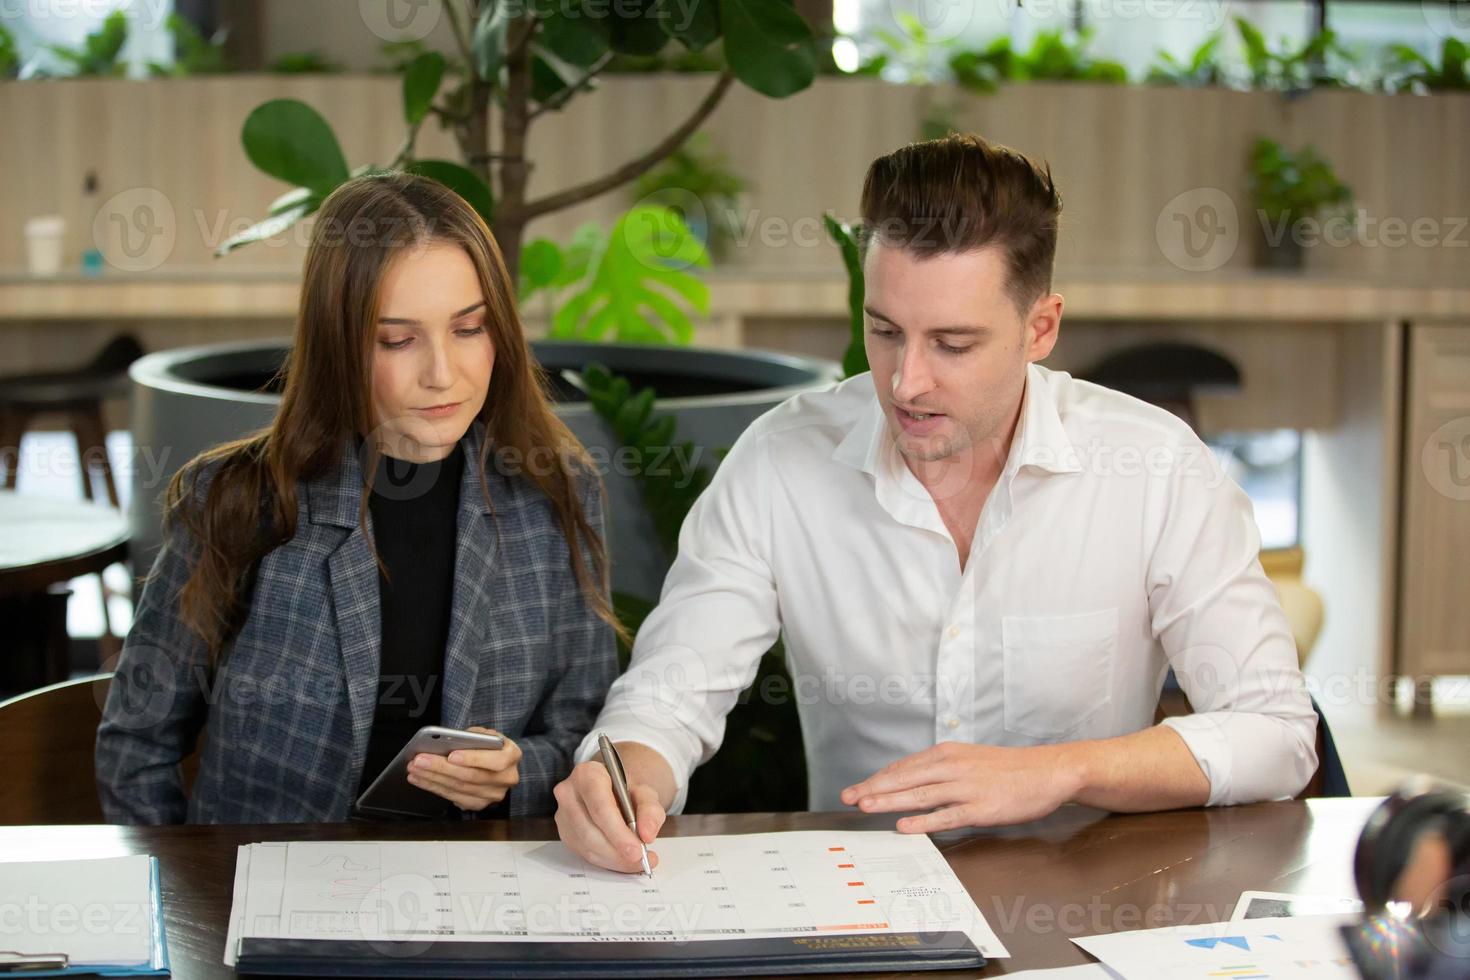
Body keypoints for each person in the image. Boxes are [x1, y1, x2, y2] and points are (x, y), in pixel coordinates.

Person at [553, 132, 1318, 873]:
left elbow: (1276, 732)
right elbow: (671, 691)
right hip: (860, 917)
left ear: (1040, 327)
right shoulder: (782, 461)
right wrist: (627, 777)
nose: (906, 381)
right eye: (884, 331)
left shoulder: (1154, 469)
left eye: (953, 344)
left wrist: (1062, 772)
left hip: (1085, 910)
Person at [96, 172, 619, 824]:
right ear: (339, 343)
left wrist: (517, 774)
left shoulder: (554, 494)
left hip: (473, 900)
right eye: (397, 339)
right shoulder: (236, 501)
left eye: (468, 329)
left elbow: (591, 741)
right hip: (262, 901)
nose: (441, 374)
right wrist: (188, 906)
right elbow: (135, 745)